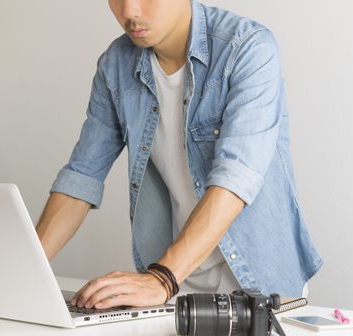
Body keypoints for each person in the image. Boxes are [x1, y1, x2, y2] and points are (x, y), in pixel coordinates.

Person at [36, 0, 323, 310]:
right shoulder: (115, 65)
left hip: (259, 285)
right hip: (176, 290)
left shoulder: (248, 47)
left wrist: (161, 279)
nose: (129, 11)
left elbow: (235, 179)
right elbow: (81, 178)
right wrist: (25, 268)